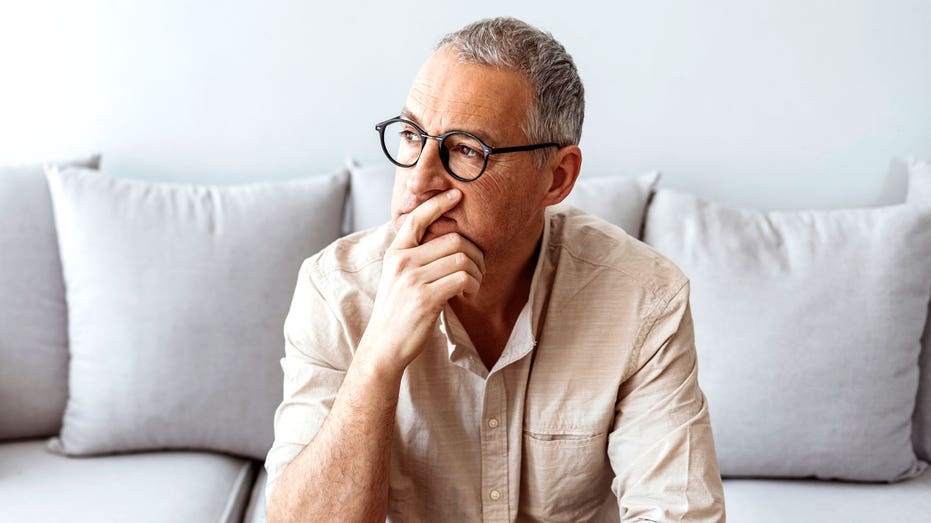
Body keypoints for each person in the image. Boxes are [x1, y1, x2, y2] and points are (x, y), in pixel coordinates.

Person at [264, 16, 725, 523]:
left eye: (466, 150)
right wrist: (376, 363)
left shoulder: (645, 299)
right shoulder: (335, 291)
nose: (418, 181)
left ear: (557, 178)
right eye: (413, 135)